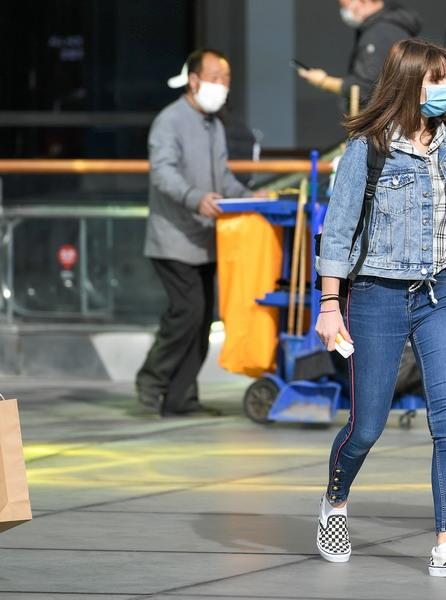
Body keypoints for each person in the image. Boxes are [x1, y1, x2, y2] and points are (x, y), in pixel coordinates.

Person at [314, 38, 446, 578]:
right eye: (435, 79)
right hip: (377, 294)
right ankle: (335, 502)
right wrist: (329, 305)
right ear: (409, 82)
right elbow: (338, 231)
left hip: (438, 295)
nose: (444, 88)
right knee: (367, 425)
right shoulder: (367, 148)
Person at [136, 48, 266, 416]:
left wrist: (251, 198)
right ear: (193, 80)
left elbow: (222, 179)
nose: (222, 85)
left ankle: (181, 397)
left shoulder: (215, 126)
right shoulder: (169, 121)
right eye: (215, 78)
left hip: (207, 240)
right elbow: (163, 173)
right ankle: (152, 380)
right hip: (173, 239)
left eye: (227, 79)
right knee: (187, 313)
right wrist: (195, 198)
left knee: (201, 320)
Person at [297, 0, 421, 109]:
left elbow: (366, 87)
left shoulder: (379, 33)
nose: (344, 12)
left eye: (345, 5)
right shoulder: (390, 26)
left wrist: (323, 81)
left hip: (382, 120)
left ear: (363, 1)